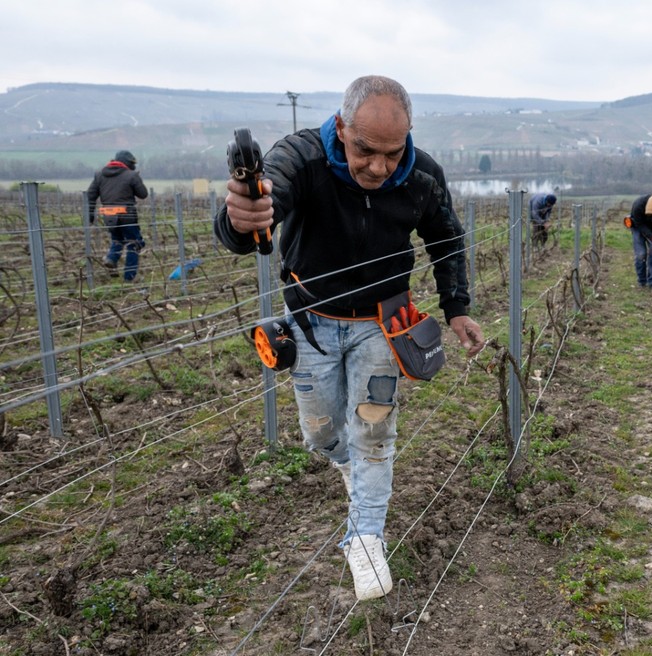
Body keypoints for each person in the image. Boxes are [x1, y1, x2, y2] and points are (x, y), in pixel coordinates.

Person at [214, 75, 484, 602]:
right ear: (341, 128)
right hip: (310, 326)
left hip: (384, 326)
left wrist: (457, 308)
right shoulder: (301, 157)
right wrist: (242, 219)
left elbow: (446, 238)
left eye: (392, 152)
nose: (379, 167)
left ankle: (364, 536)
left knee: (374, 432)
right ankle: (345, 462)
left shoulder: (423, 174)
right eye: (365, 150)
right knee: (319, 433)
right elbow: (259, 210)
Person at [86, 150, 148, 281]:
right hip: (127, 214)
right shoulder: (131, 175)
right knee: (134, 243)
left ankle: (111, 258)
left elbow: (90, 196)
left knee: (118, 240)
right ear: (127, 163)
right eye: (132, 164)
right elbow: (143, 194)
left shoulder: (99, 175)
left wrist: (89, 215)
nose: (133, 166)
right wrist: (137, 179)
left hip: (108, 216)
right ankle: (129, 277)